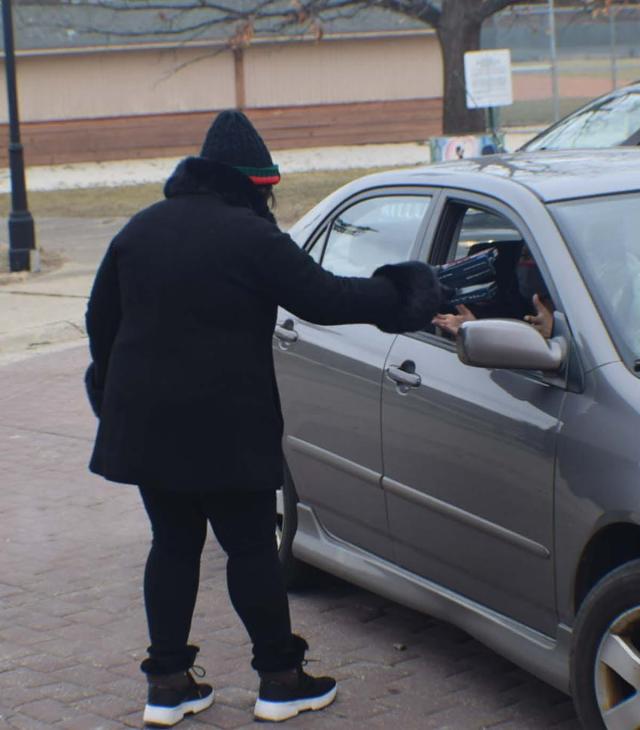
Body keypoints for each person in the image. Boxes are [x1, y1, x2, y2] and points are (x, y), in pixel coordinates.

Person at [84, 110, 442, 727]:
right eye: (268, 190)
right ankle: (280, 679)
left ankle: (167, 687)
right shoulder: (252, 238)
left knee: (171, 546)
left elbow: (100, 325)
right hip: (229, 428)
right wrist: (407, 291)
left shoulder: (138, 231)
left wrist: (116, 391)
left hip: (148, 427)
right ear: (254, 184)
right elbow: (327, 299)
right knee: (250, 547)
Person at [433, 244, 555, 339]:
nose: (531, 265)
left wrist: (553, 336)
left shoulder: (570, 313)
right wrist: (474, 332)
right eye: (525, 256)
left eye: (540, 260)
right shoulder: (511, 314)